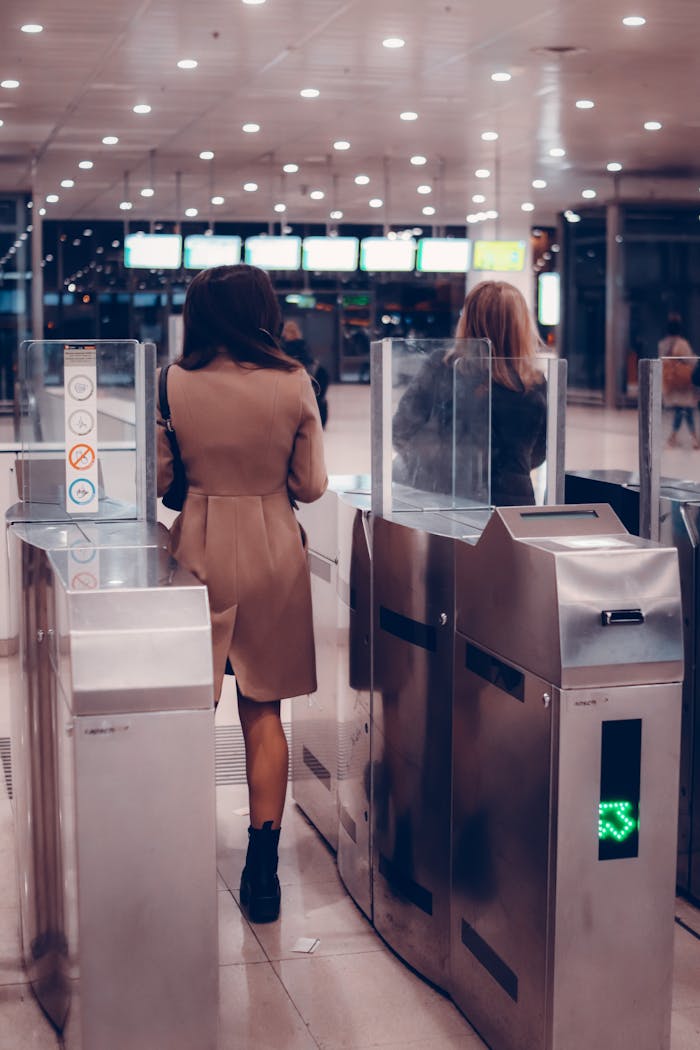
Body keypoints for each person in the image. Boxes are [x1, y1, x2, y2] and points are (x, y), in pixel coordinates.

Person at [157, 265, 328, 923]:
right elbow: (310, 484)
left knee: (183, 709)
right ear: (263, 310)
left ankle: (173, 850)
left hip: (196, 550)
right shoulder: (293, 382)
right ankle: (263, 872)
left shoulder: (173, 382)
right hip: (272, 554)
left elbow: (162, 476)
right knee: (263, 715)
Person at [393, 280, 547, 506]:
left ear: (467, 321)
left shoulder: (442, 367)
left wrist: (440, 462)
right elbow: (539, 451)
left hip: (447, 497)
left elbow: (401, 429)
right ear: (522, 325)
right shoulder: (533, 382)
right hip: (513, 502)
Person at [659, 314, 700, 449]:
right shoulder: (682, 344)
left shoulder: (663, 344)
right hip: (682, 383)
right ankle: (691, 439)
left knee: (681, 410)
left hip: (670, 382)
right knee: (685, 410)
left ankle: (674, 438)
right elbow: (690, 360)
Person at [281, 320, 330, 427]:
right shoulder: (303, 345)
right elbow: (309, 360)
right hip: (312, 377)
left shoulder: (285, 347)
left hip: (297, 378)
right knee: (317, 400)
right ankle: (320, 421)